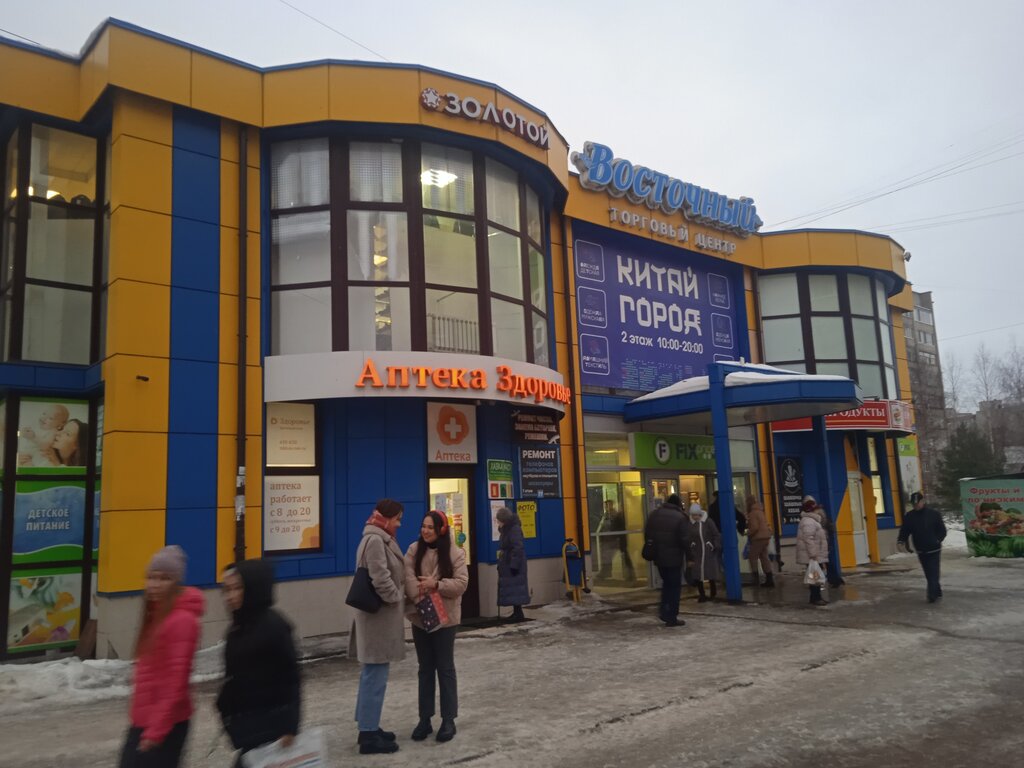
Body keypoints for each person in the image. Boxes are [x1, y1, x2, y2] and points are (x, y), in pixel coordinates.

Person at [119, 545, 204, 768]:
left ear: (176, 582)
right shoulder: (157, 615)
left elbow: (176, 683)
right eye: (151, 577)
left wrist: (155, 731)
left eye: (164, 578)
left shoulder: (181, 620)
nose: (155, 584)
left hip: (164, 727)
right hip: (145, 721)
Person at [216, 560, 301, 766]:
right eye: (227, 590)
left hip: (271, 727)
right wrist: (224, 702)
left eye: (237, 588)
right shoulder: (239, 626)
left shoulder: (274, 627)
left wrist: (289, 727)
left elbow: (291, 678)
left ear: (254, 588)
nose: (230, 596)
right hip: (249, 724)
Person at [404, 510, 469, 743]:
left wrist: (437, 584)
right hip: (421, 617)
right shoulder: (413, 550)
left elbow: (461, 584)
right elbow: (407, 578)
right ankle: (425, 719)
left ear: (441, 529)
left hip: (446, 619)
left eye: (430, 527)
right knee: (425, 668)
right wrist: (421, 594)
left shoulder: (455, 553)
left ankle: (448, 719)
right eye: (423, 526)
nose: (425, 531)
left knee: (445, 668)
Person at [349, 499, 406, 755]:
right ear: (387, 517)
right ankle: (369, 734)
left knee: (372, 674)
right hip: (378, 618)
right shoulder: (375, 540)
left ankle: (368, 725)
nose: (399, 524)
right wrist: (396, 598)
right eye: (397, 519)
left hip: (376, 618)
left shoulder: (377, 537)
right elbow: (380, 577)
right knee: (375, 675)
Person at [643, 493, 688, 626]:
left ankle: (664, 611)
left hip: (659, 558)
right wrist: (690, 556)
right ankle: (671, 616)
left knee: (667, 584)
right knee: (674, 587)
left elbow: (648, 534)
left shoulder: (654, 514)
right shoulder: (680, 517)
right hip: (674, 558)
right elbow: (684, 539)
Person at [898, 491, 947, 603]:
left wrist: (937, 540)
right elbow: (905, 530)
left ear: (923, 501)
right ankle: (937, 590)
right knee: (928, 572)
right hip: (920, 548)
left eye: (918, 503)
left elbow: (942, 530)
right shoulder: (910, 516)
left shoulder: (933, 514)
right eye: (914, 504)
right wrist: (901, 541)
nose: (916, 506)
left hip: (934, 548)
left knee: (933, 571)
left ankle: (931, 595)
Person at [496, 507, 529, 622]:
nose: (497, 522)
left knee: (516, 587)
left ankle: (518, 613)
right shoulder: (507, 529)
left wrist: (514, 564)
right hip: (509, 562)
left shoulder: (513, 529)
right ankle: (517, 612)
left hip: (513, 564)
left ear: (504, 520)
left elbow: (518, 547)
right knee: (514, 588)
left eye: (499, 520)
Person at [685, 502, 722, 602]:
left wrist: (714, 545)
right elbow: (688, 537)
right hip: (697, 552)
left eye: (696, 515)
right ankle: (702, 594)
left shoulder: (708, 522)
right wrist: (691, 545)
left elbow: (715, 534)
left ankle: (713, 593)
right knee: (697, 574)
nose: (695, 517)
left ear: (700, 513)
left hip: (708, 551)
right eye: (693, 515)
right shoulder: (690, 524)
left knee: (710, 573)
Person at [796, 499, 830, 606]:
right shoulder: (809, 521)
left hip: (814, 554)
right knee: (815, 577)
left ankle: (815, 597)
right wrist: (813, 554)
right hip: (813, 555)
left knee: (815, 576)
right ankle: (816, 598)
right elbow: (808, 539)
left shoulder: (811, 520)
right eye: (816, 509)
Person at [596, 500, 635, 581]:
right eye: (605, 506)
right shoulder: (606, 515)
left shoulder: (616, 515)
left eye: (608, 505)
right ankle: (606, 572)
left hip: (616, 539)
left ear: (612, 505)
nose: (607, 507)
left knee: (623, 556)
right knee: (608, 556)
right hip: (611, 539)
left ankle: (630, 574)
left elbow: (616, 528)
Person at [745, 496, 775, 587]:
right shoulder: (760, 511)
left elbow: (755, 527)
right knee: (764, 557)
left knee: (752, 557)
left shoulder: (752, 513)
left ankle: (755, 579)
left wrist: (748, 533)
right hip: (765, 537)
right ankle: (769, 579)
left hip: (758, 538)